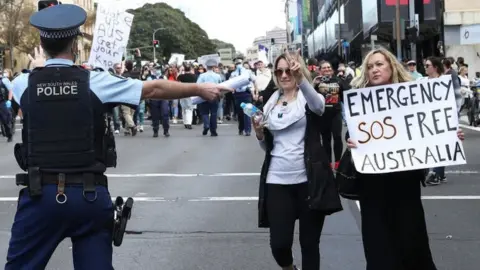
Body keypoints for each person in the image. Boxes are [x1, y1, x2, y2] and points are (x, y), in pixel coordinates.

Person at [6, 4, 231, 269]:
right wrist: (199, 88)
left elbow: (37, 84)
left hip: (38, 197)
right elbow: (153, 89)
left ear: (41, 44)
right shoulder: (95, 81)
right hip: (88, 197)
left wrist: (38, 67)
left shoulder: (23, 83)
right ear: (76, 44)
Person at [346, 48, 464, 270]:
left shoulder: (414, 97)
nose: (374, 70)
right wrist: (351, 142)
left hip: (405, 189)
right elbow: (352, 134)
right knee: (379, 253)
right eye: (370, 66)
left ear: (391, 67)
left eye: (379, 64)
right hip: (373, 191)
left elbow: (431, 129)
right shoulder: (359, 102)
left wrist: (450, 135)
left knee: (412, 249)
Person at [253, 49, 342, 270]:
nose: (284, 75)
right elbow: (267, 146)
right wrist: (260, 134)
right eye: (279, 71)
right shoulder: (271, 101)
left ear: (298, 70)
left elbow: (319, 107)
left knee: (309, 244)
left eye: (289, 70)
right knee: (279, 244)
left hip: (309, 180)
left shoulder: (308, 95)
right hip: (277, 181)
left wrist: (301, 79)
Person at [0, 70, 13, 142]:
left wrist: (9, 100)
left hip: (2, 102)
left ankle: (9, 135)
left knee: (5, 120)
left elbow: (10, 90)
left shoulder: (4, 80)